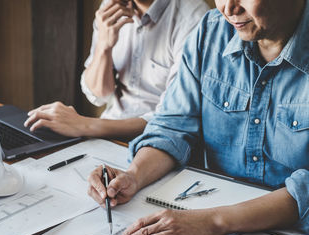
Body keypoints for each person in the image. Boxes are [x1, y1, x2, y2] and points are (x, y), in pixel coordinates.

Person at [87, 0, 309, 235]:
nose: (228, 8)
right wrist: (134, 176)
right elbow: (173, 126)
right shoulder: (211, 32)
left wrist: (214, 222)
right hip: (210, 223)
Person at [24, 0, 209, 140]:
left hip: (159, 144)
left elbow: (173, 119)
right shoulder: (111, 7)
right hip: (106, 135)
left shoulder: (193, 19)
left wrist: (85, 125)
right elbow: (98, 94)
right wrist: (104, 47)